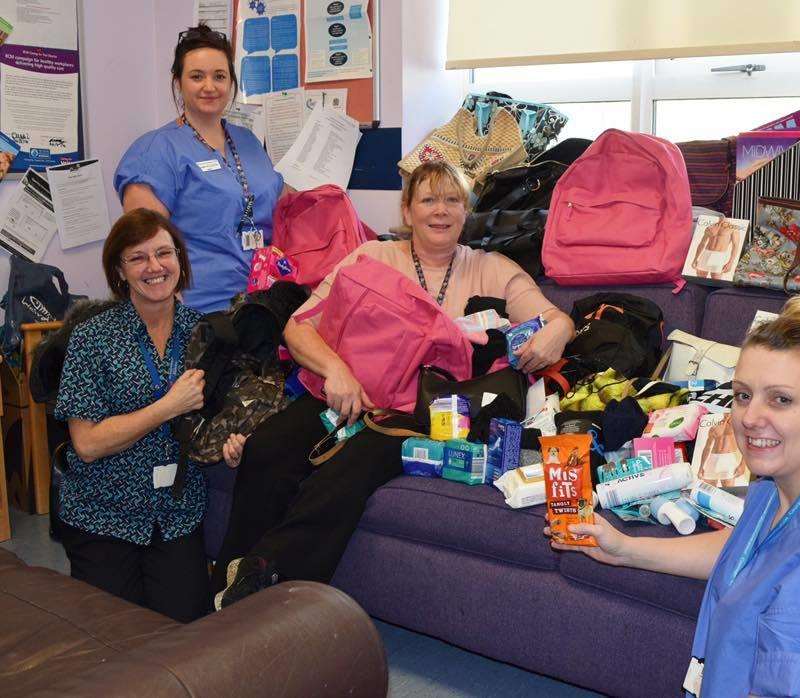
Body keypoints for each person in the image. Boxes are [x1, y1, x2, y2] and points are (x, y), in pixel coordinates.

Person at [212, 160, 576, 609]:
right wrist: (337, 371)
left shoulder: (493, 269)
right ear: (407, 211)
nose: (439, 211)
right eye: (428, 199)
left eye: (452, 200)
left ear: (466, 212)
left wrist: (559, 327)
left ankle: (269, 581)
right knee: (270, 447)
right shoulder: (370, 258)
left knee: (352, 465)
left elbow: (555, 319)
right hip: (350, 393)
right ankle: (227, 571)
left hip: (423, 416)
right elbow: (297, 329)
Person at [552, 297, 800, 697]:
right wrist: (627, 549)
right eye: (743, 394)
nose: (750, 418)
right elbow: (761, 552)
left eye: (781, 399)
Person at [54, 208, 211, 622]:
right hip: (104, 512)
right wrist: (166, 407)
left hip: (176, 513)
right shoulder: (92, 338)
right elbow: (86, 444)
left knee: (187, 637)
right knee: (115, 641)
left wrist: (231, 443)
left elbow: (213, 419)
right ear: (120, 272)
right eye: (138, 257)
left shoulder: (206, 333)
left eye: (164, 253)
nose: (155, 266)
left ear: (180, 259)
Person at [114, 24, 284, 313]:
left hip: (265, 306)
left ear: (231, 83)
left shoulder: (249, 141)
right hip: (200, 312)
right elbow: (144, 253)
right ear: (178, 82)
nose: (210, 86)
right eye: (197, 76)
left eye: (219, 76)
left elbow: (281, 206)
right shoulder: (156, 151)